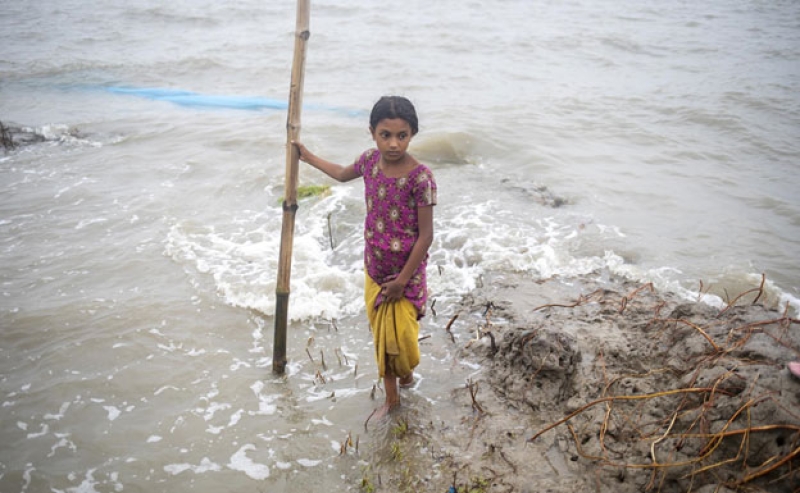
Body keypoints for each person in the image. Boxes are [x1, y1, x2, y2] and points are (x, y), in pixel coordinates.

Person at [292, 96, 437, 419]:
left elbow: (425, 236)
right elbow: (343, 174)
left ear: (413, 133)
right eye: (386, 134)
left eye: (402, 135)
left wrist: (401, 281)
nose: (394, 143)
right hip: (375, 267)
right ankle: (393, 398)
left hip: (405, 275)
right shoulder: (370, 162)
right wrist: (307, 157)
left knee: (401, 337)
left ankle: (406, 379)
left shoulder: (421, 178)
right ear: (372, 132)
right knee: (384, 338)